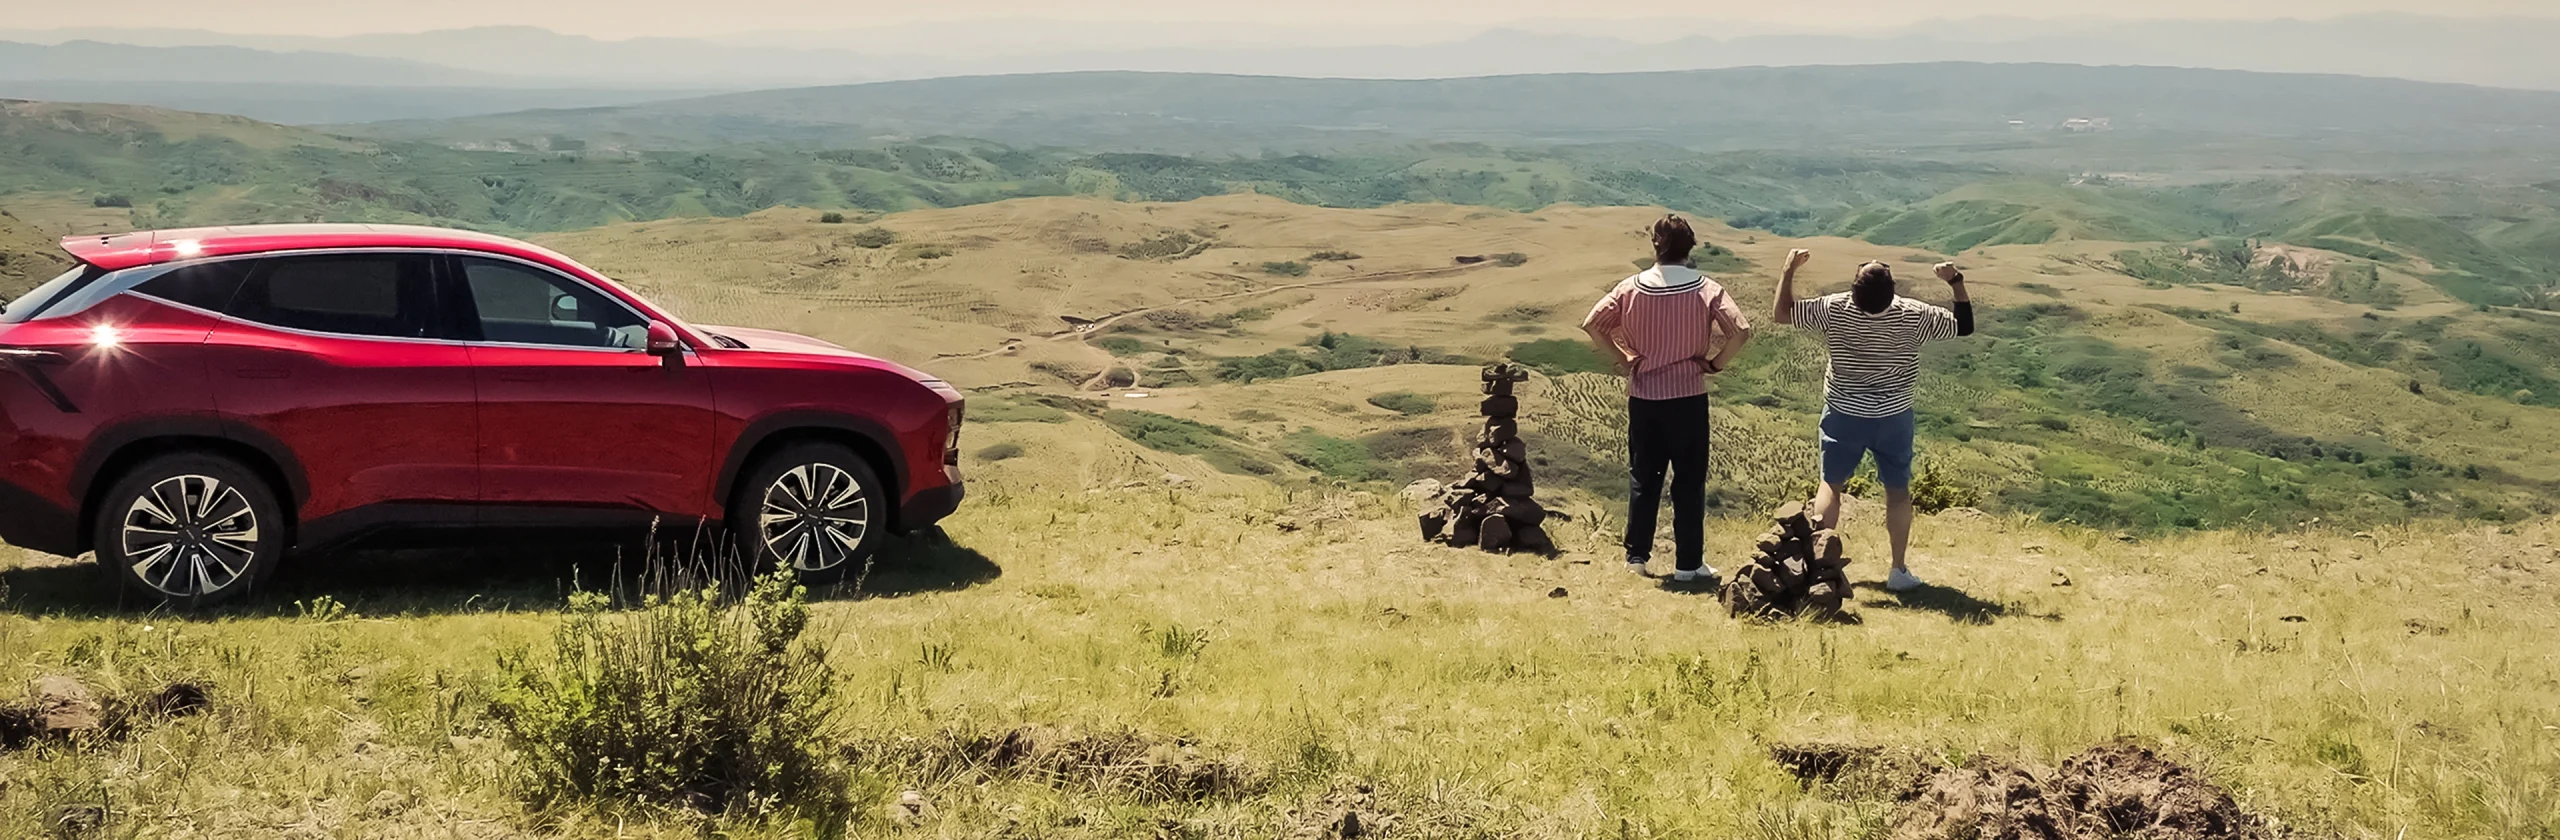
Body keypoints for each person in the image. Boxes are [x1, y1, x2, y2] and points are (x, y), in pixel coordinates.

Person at [1773, 250, 1975, 592]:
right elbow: (1964, 326)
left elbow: (1781, 314)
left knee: (1830, 485)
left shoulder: (1833, 308)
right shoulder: (1914, 314)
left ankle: (1820, 567)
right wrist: (1955, 282)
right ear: (1891, 289)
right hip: (1893, 415)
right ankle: (1898, 570)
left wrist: (1788, 270)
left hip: (1843, 411)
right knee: (1897, 492)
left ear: (1854, 289)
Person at [1581, 215, 1753, 584]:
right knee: (1689, 482)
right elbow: (1740, 330)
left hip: (1644, 395)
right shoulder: (1706, 289)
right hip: (1688, 396)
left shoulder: (1630, 288)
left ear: (1656, 245)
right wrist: (1715, 363)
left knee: (1644, 477)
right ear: (1689, 247)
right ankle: (1688, 565)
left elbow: (1592, 323)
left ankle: (1636, 558)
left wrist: (1623, 357)